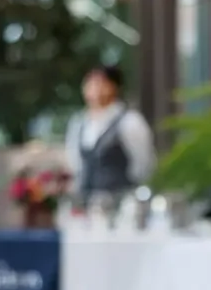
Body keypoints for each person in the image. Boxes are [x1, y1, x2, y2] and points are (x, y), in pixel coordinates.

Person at [65, 64, 154, 206]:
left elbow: (143, 164)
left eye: (100, 83)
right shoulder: (78, 123)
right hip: (87, 202)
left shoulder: (130, 121)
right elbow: (75, 163)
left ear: (114, 86)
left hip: (120, 202)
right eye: (90, 83)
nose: (94, 89)